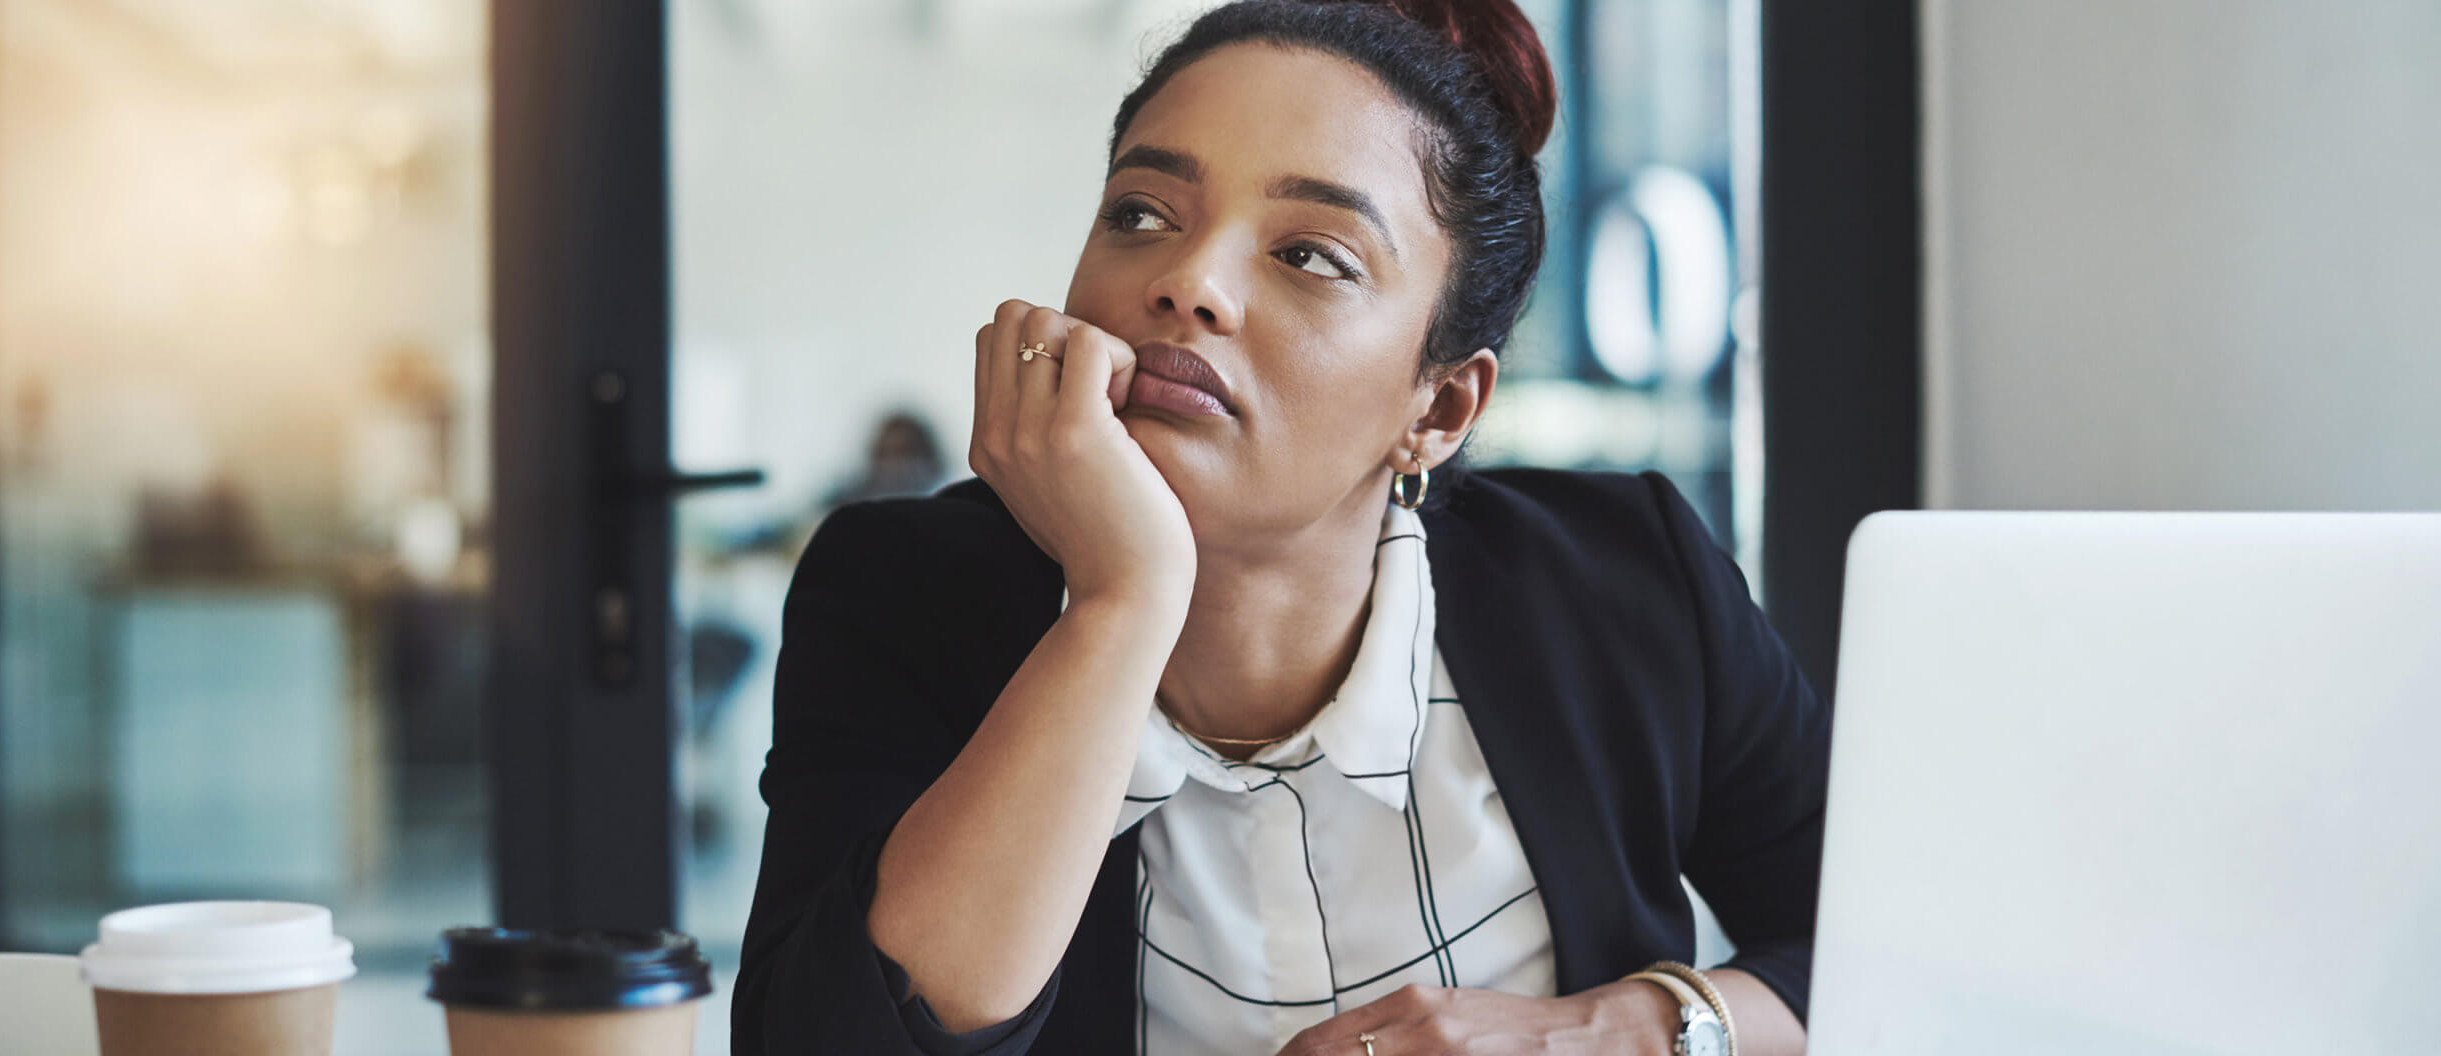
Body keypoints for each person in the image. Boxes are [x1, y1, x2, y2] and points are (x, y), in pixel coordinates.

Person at [728, 2, 1828, 1053]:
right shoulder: (900, 590)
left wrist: (1627, 1030)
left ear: (1436, 409)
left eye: (1310, 254)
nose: (1186, 281)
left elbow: (1885, 947)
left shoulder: (1627, 576)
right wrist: (1121, 601)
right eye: (1141, 214)